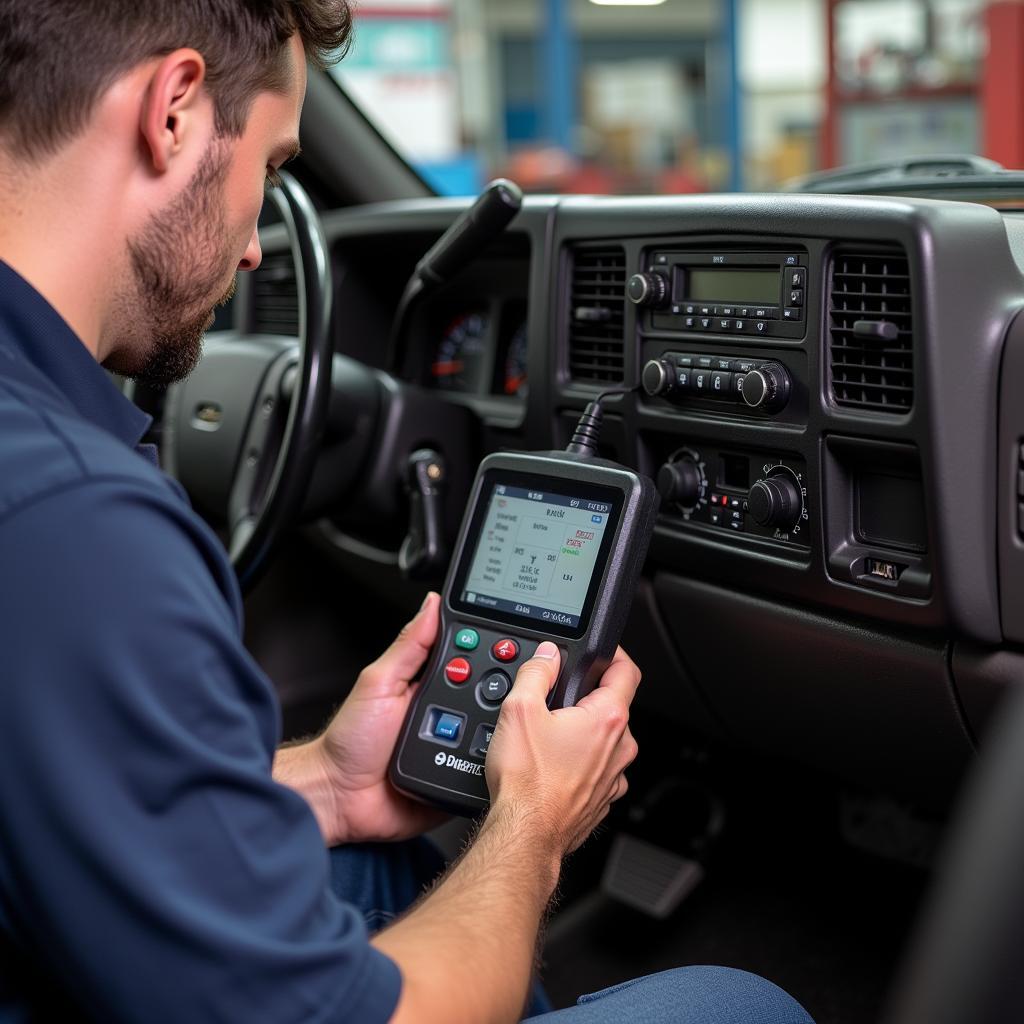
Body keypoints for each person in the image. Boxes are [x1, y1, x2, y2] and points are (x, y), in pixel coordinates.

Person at [0, 3, 816, 1022]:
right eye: (273, 167)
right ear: (172, 111)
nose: (257, 246)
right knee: (744, 1005)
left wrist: (327, 784)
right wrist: (531, 821)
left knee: (375, 865)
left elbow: (66, 779)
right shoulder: (79, 527)